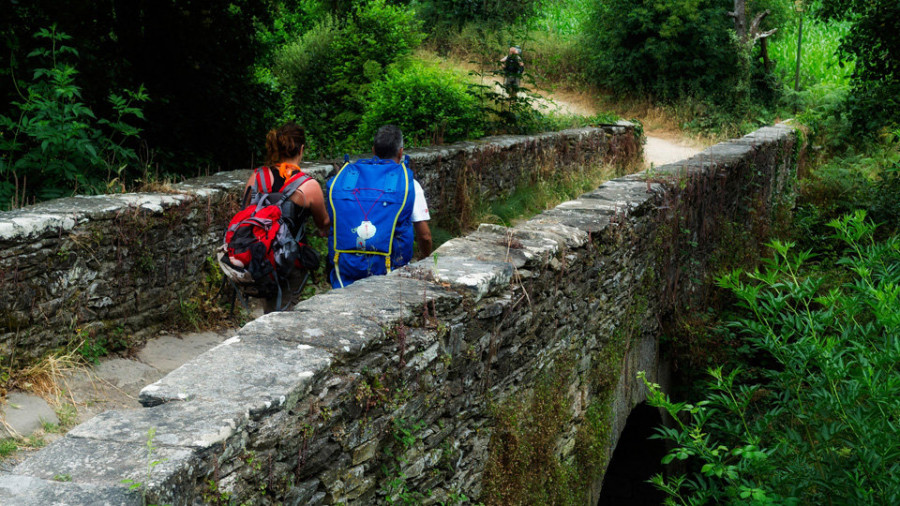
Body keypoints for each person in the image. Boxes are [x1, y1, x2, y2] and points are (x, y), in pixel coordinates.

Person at [326, 125, 432, 288]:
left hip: (345, 272)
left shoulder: (345, 180)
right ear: (400, 152)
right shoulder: (408, 184)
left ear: (373, 150)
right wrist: (426, 260)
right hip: (390, 272)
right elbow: (424, 236)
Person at [242, 122, 330, 312]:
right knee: (286, 310)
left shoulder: (257, 177)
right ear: (302, 149)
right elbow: (323, 221)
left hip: (260, 257)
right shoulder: (308, 185)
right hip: (291, 259)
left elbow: (245, 212)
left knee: (270, 307)